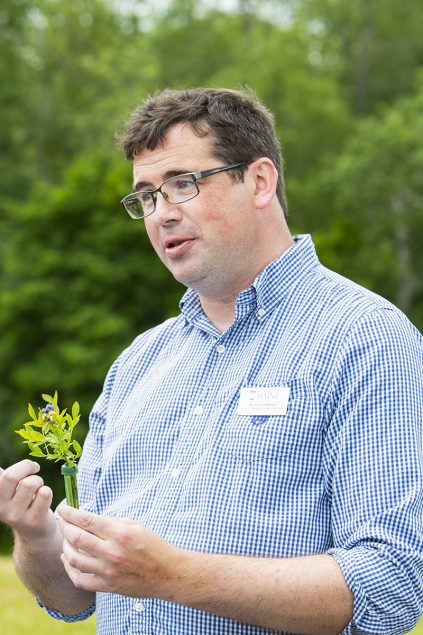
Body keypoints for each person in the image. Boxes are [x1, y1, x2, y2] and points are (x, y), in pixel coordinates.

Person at [0, 87, 422, 635]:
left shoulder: (365, 339)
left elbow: (390, 587)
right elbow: (75, 597)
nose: (161, 215)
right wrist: (35, 537)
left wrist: (172, 575)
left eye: (183, 185)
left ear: (260, 182)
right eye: (146, 197)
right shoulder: (137, 365)